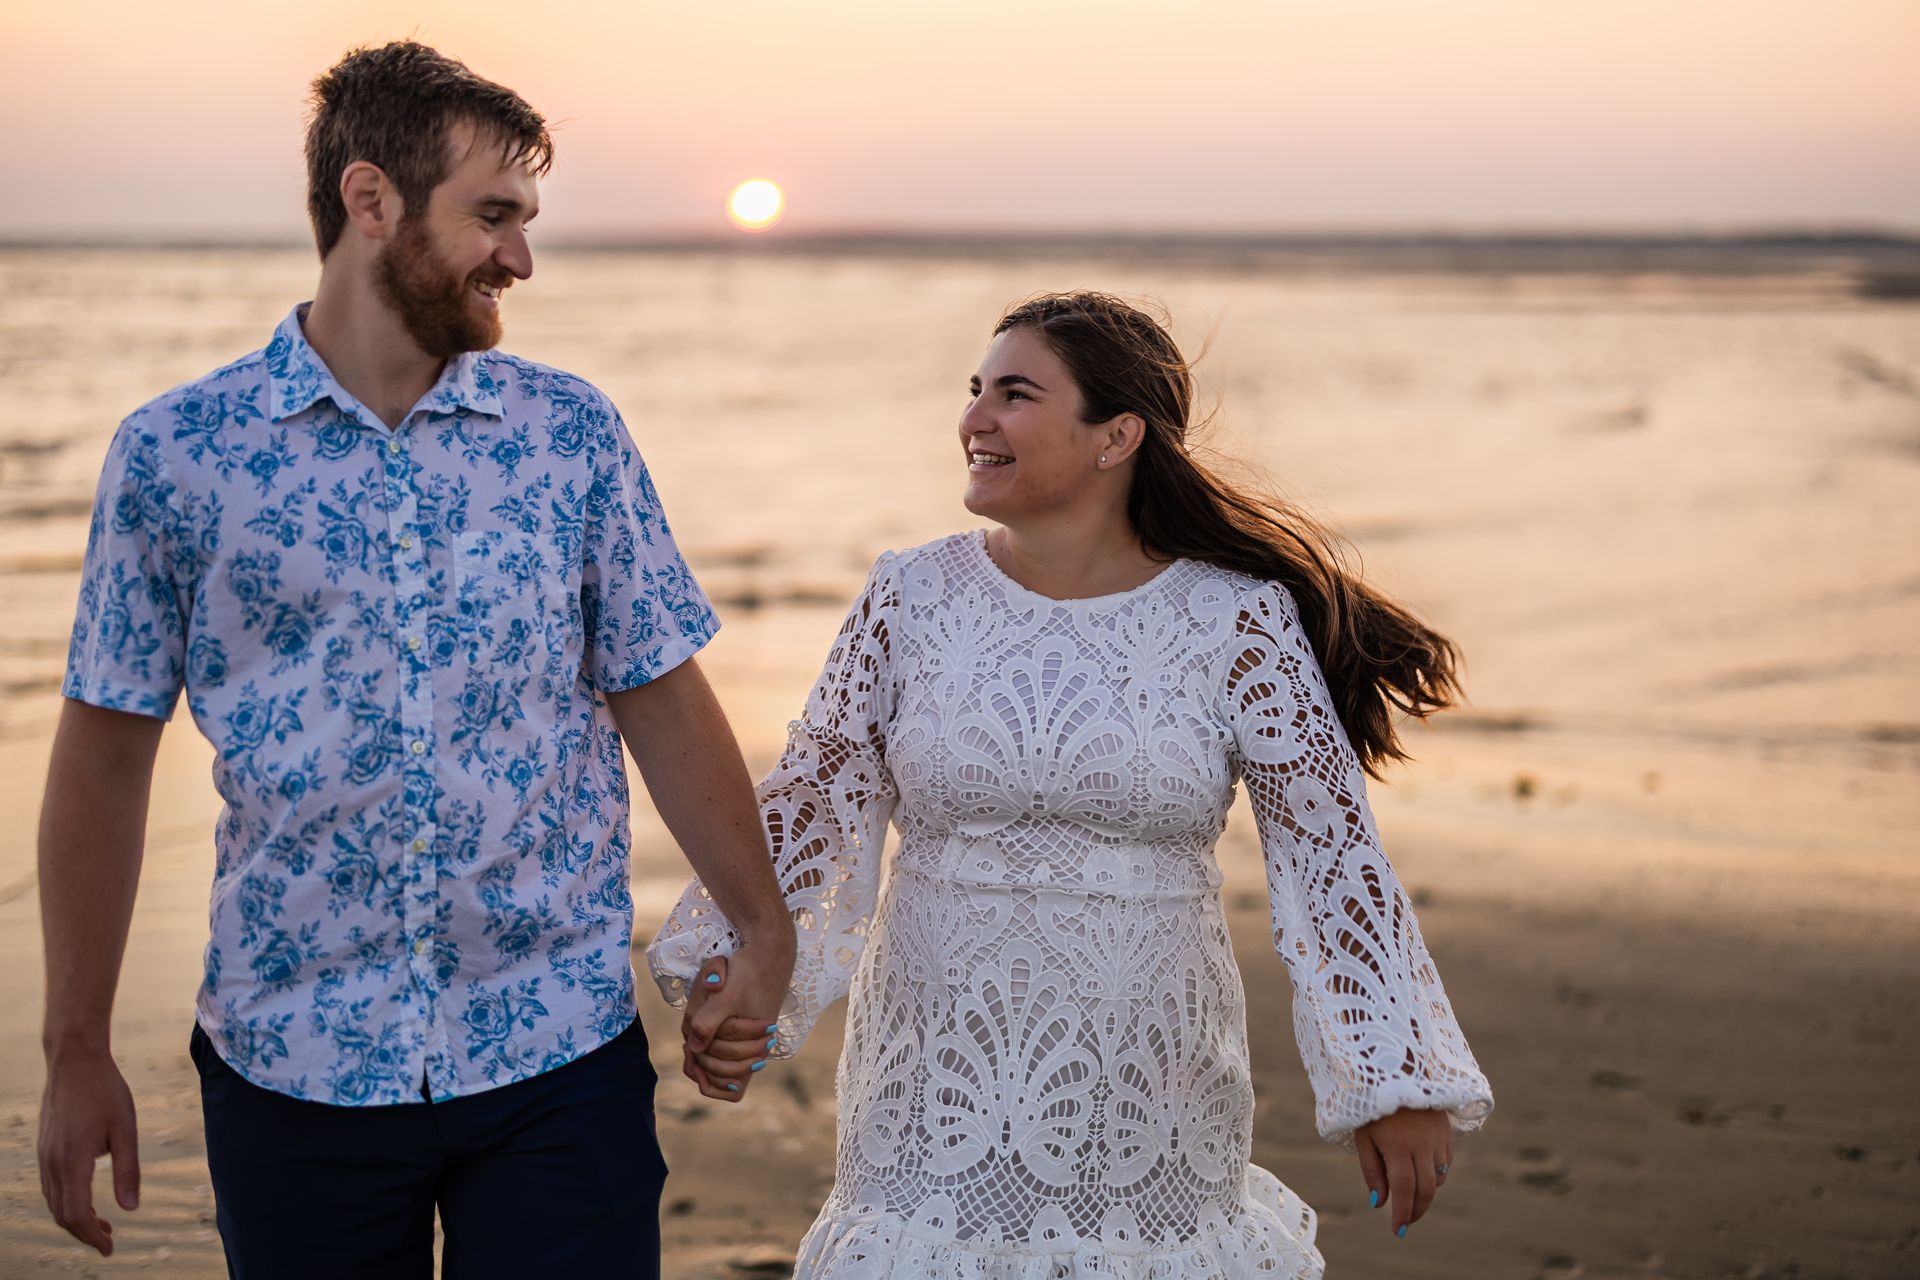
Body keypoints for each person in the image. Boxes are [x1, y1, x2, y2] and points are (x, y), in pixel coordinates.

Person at [35, 40, 793, 1278]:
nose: (522, 256)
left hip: (557, 1050)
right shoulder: (177, 454)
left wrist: (764, 926)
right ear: (371, 200)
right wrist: (76, 1046)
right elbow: (107, 753)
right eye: (492, 215)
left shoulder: (570, 435)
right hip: (293, 1064)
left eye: (528, 219)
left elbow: (657, 686)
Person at [649, 292, 1494, 1274]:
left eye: (1015, 394)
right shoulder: (910, 595)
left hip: (1150, 1088)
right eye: (975, 391)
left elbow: (1329, 848)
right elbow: (814, 797)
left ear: (1117, 436)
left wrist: (1392, 1074)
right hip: (934, 1085)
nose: (975, 419)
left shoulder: (1236, 619)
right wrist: (744, 962)